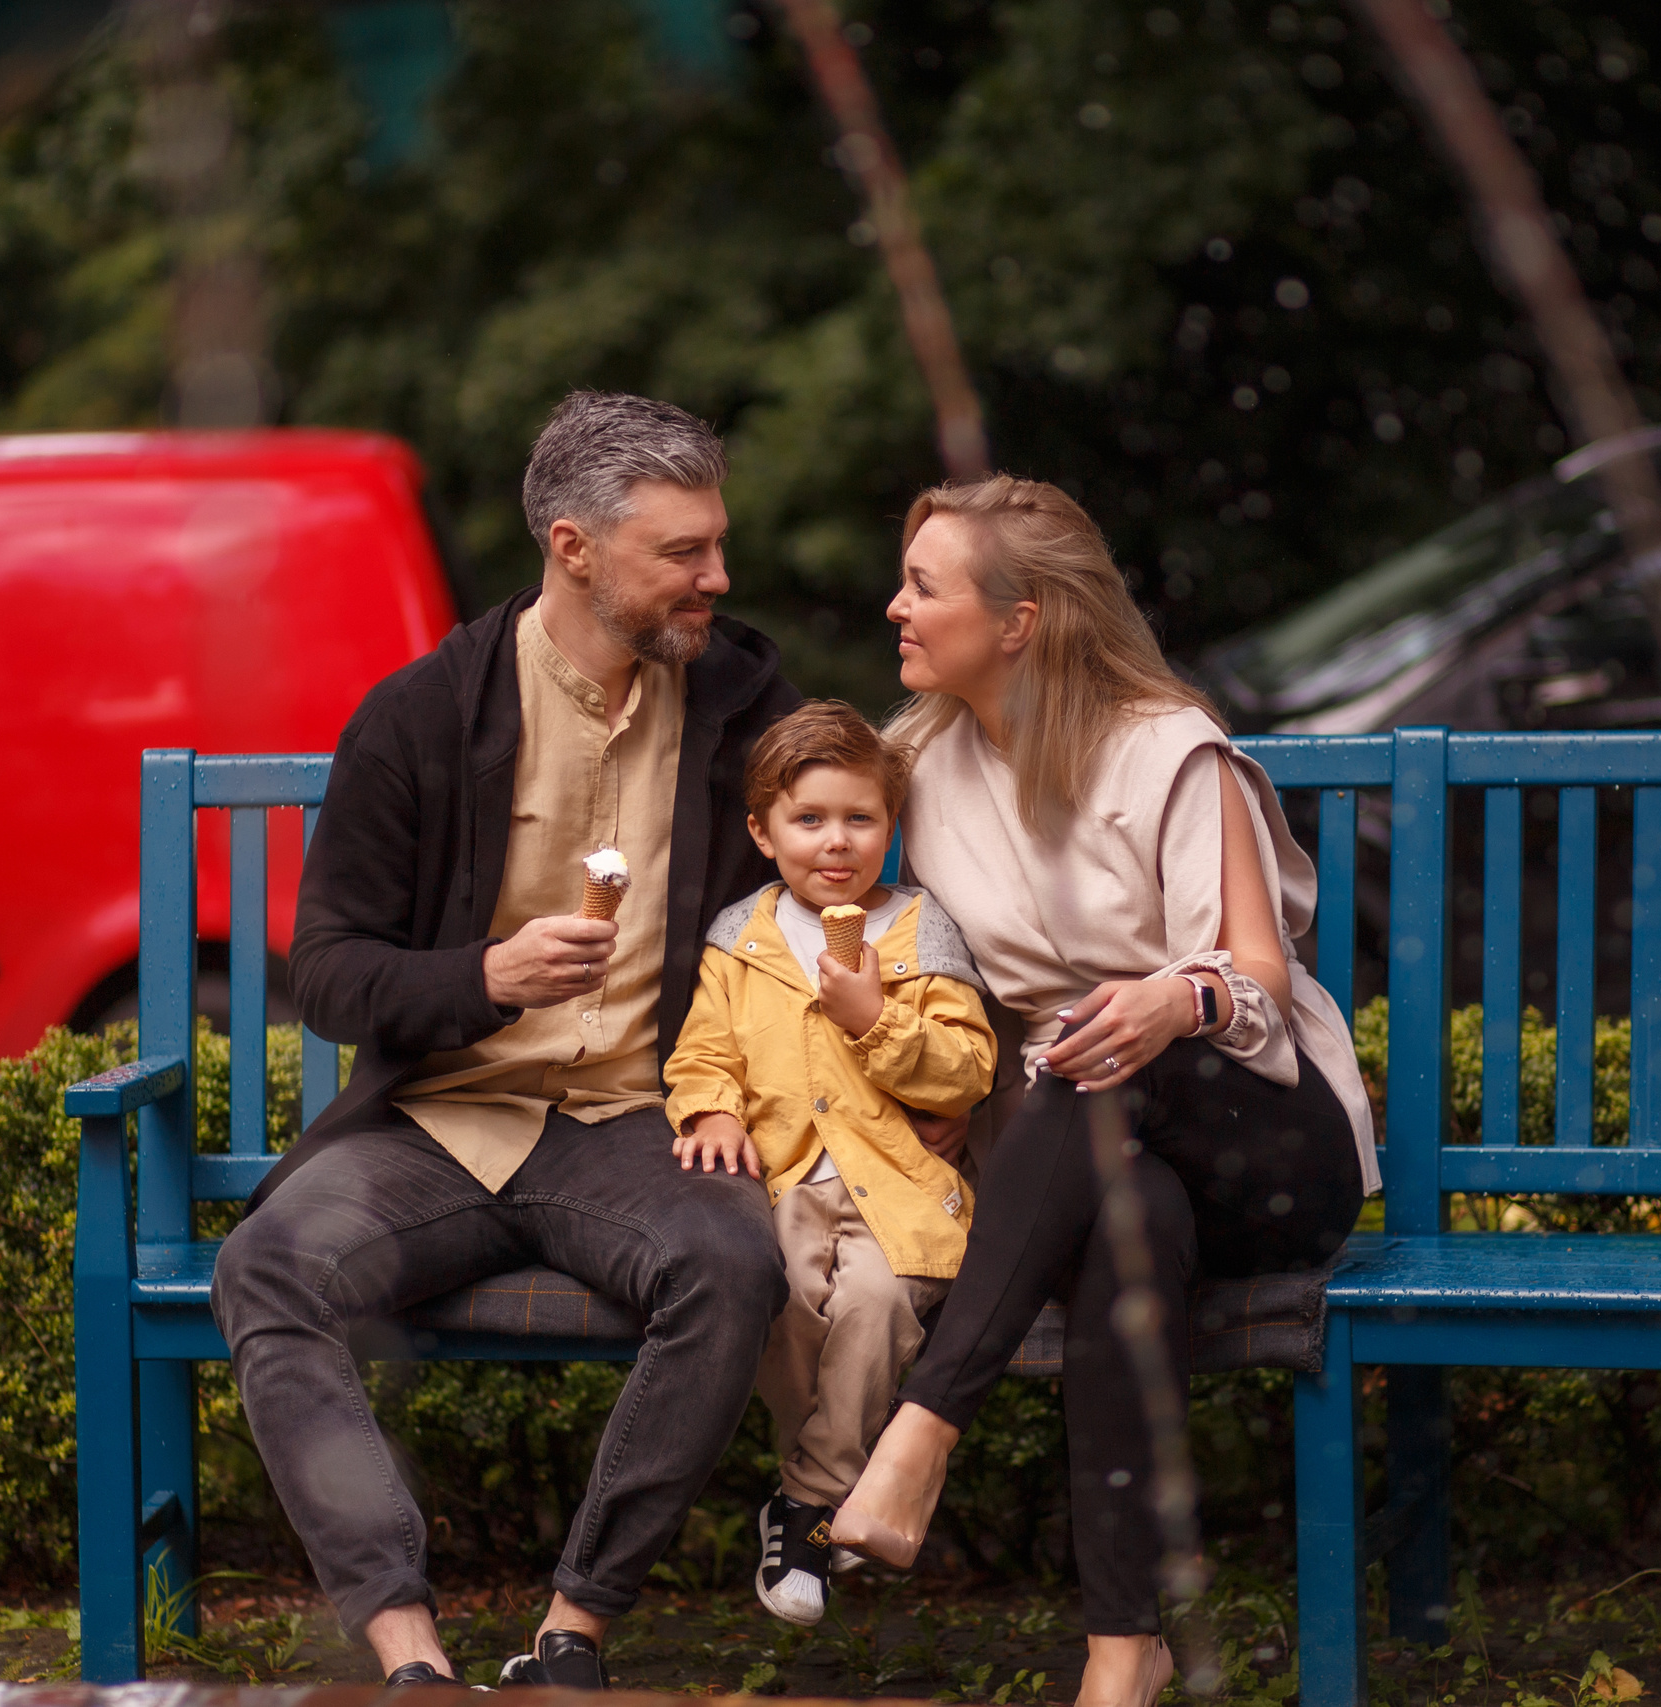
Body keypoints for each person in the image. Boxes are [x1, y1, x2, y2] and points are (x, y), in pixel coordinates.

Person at [210, 391, 802, 1691]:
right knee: (270, 1266)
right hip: (441, 1121)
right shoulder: (423, 715)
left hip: (640, 1122)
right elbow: (331, 973)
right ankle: (407, 1650)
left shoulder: (746, 698)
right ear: (574, 548)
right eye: (683, 551)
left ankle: (572, 1632)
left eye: (717, 543)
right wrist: (486, 974)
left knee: (731, 1261)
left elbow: (835, 884)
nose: (718, 575)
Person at [827, 476, 1382, 1707]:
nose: (894, 608)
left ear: (1017, 622)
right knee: (1134, 1218)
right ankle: (1123, 1654)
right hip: (1088, 1153)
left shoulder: (1168, 749)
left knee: (1105, 1056)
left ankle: (922, 1430)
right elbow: (880, 915)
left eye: (922, 587)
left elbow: (1255, 972)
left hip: (1255, 1127)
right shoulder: (921, 760)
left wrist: (1171, 1003)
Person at [661, 700, 998, 1627]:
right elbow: (702, 1052)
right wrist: (712, 1107)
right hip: (780, 1177)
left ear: (892, 827)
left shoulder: (921, 930)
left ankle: (805, 1503)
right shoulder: (743, 938)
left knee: (879, 1303)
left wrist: (874, 1019)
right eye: (809, 819)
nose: (837, 841)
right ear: (762, 832)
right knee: (781, 1299)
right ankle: (840, 1489)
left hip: (896, 1182)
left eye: (861, 817)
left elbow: (968, 1067)